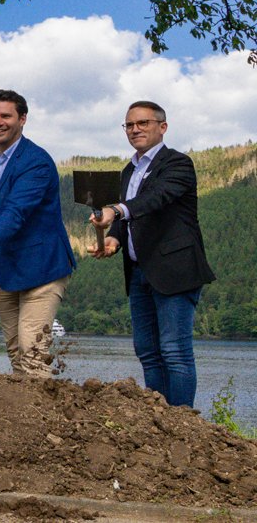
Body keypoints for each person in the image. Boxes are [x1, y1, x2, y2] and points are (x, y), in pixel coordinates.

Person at [89, 101, 215, 407]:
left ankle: (183, 421)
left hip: (176, 270)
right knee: (146, 349)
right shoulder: (129, 170)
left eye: (143, 123)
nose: (135, 130)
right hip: (138, 271)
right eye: (130, 125)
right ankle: (159, 418)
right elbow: (129, 218)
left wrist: (116, 210)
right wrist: (114, 241)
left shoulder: (178, 164)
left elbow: (154, 199)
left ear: (163, 127)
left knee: (174, 350)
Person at [0, 90, 75, 378]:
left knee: (32, 353)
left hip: (42, 269)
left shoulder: (36, 162)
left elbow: (15, 213)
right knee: (15, 353)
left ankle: (45, 420)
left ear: (22, 119)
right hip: (8, 270)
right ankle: (28, 419)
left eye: (5, 116)